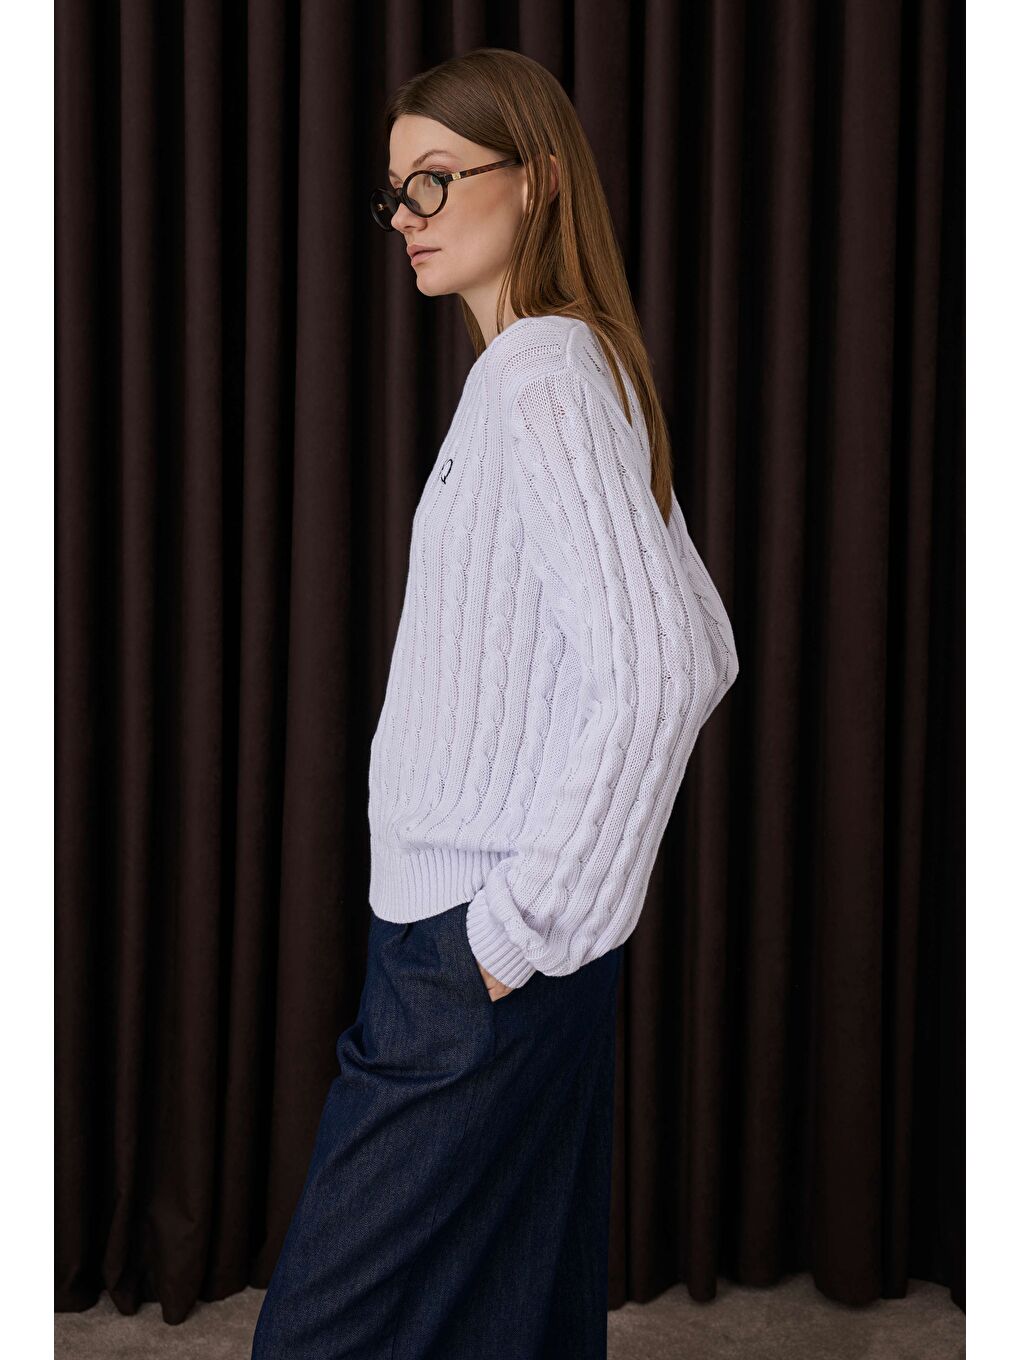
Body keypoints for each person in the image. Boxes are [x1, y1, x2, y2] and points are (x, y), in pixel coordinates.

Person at [251, 46, 738, 1360]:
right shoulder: (554, 373)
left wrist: (522, 928)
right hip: (477, 945)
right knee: (513, 1323)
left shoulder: (543, 377)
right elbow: (698, 632)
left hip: (477, 952)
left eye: (435, 179)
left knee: (325, 1333)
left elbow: (668, 667)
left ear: (536, 181)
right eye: (395, 193)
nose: (405, 216)